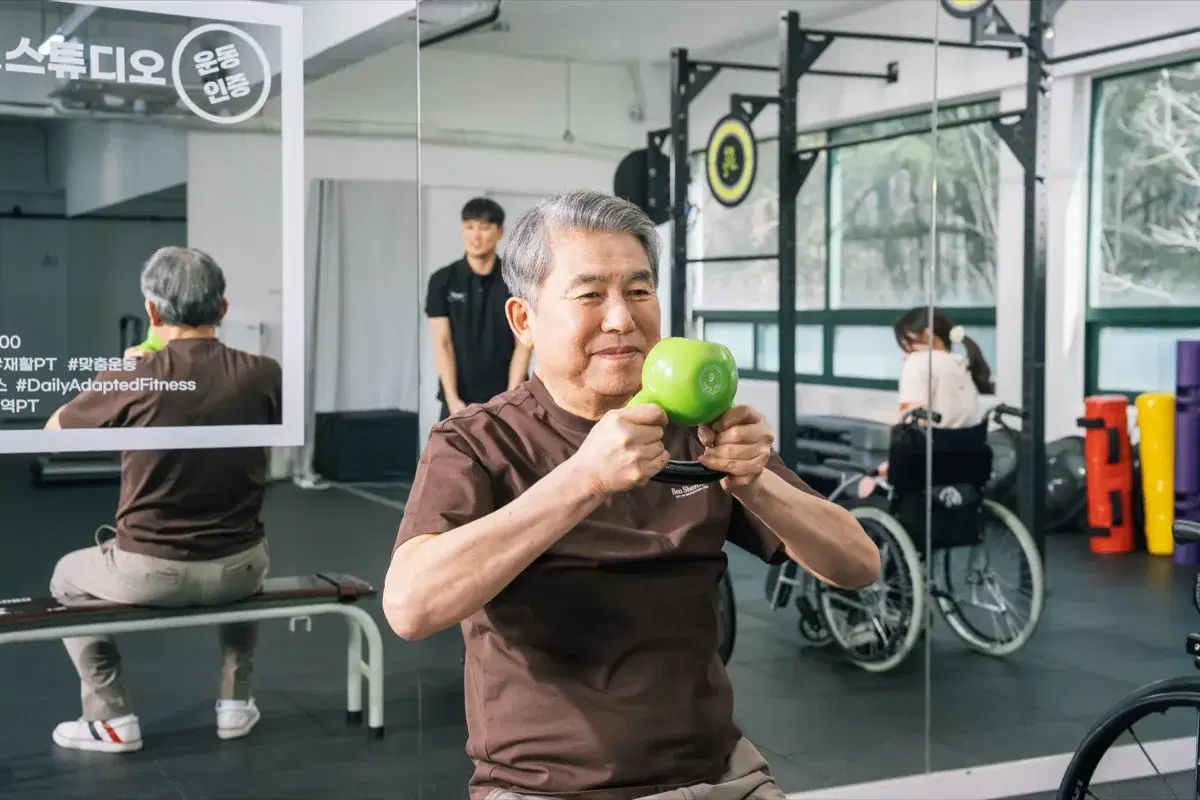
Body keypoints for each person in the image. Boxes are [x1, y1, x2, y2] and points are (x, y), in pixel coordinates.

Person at [385, 190, 881, 800]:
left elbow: (859, 565)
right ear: (525, 320)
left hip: (719, 778)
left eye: (639, 291)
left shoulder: (700, 428)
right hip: (547, 790)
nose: (621, 318)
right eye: (590, 294)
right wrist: (584, 479)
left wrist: (753, 481)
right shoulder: (475, 442)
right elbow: (410, 607)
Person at [43, 246, 282, 753]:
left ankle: (110, 718)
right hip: (240, 568)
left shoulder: (137, 374)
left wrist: (122, 375)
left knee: (66, 575)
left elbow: (53, 431)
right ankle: (235, 704)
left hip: (148, 572)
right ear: (222, 309)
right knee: (245, 562)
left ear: (152, 312)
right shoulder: (265, 372)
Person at [857, 305, 994, 499]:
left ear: (928, 335)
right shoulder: (962, 364)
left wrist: (888, 466)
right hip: (966, 465)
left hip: (928, 468)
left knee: (866, 484)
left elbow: (911, 422)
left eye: (906, 343)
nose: (905, 351)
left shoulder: (919, 362)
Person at [427, 197, 533, 420]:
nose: (476, 235)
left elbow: (523, 343)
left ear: (500, 231)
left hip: (508, 398)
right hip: (458, 399)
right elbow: (442, 343)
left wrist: (511, 396)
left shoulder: (516, 280)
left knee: (508, 456)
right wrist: (452, 399)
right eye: (469, 227)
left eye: (484, 228)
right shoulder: (442, 280)